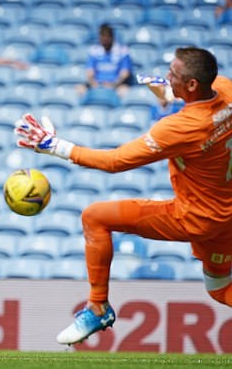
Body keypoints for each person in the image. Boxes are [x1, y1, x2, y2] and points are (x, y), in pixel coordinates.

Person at [14, 47, 232, 346]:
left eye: (174, 75)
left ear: (193, 84)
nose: (168, 76)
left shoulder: (182, 127)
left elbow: (114, 162)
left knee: (95, 217)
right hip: (226, 215)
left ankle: (98, 307)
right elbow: (206, 104)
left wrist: (53, 145)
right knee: (220, 290)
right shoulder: (225, 87)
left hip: (196, 217)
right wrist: (169, 94)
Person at [77, 23, 133, 98]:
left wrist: (114, 84)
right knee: (80, 89)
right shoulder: (94, 51)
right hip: (97, 83)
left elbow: (125, 73)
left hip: (116, 85)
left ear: (112, 37)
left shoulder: (122, 51)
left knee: (125, 91)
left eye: (107, 38)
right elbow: (89, 72)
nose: (105, 41)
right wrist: (94, 84)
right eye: (103, 38)